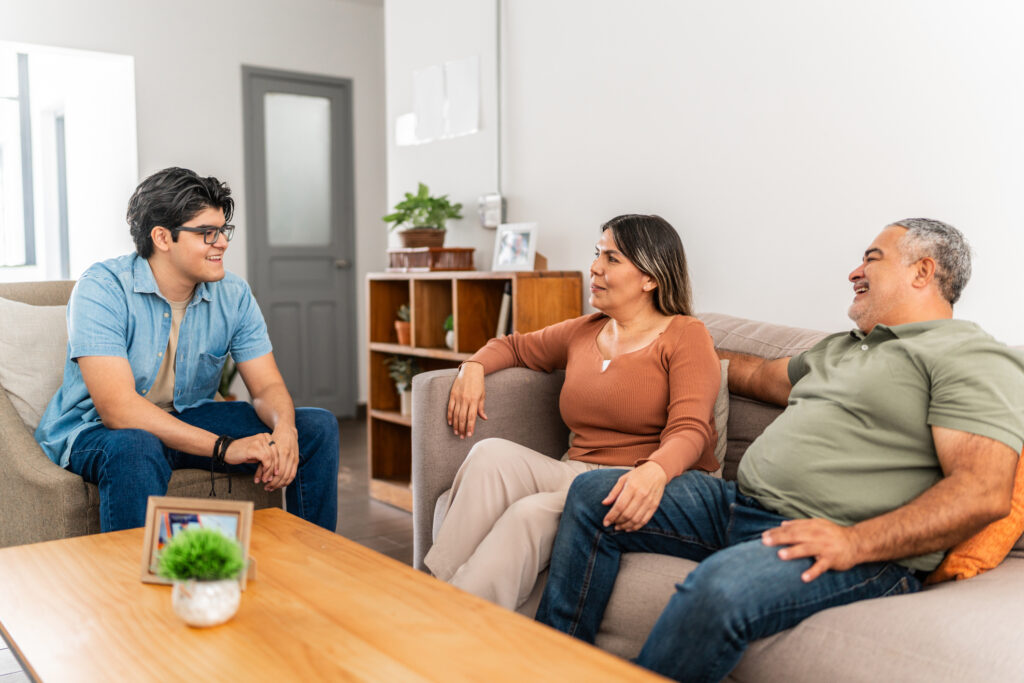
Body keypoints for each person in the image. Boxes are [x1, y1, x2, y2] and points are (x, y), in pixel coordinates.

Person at [535, 218, 1024, 681]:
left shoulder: (967, 356)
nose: (854, 271)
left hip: (851, 544)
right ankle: (546, 663)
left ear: (923, 271)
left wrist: (854, 543)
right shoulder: (845, 348)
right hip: (739, 507)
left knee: (719, 588)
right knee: (595, 495)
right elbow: (756, 374)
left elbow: (981, 491)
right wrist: (664, 344)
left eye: (872, 259)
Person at [424, 214, 722, 609]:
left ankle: (461, 619)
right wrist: (474, 366)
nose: (595, 267)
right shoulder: (586, 330)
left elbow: (691, 429)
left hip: (643, 482)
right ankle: (431, 592)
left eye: (612, 258)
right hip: (574, 471)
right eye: (597, 254)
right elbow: (513, 346)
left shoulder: (686, 334)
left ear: (650, 277)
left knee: (528, 515)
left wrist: (653, 470)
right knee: (489, 454)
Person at [35, 167, 339, 532]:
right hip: (102, 431)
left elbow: (267, 387)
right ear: (163, 238)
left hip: (186, 417)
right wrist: (225, 448)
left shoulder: (234, 294)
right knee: (136, 446)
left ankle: (317, 563)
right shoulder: (102, 288)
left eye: (223, 230)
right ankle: (131, 587)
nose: (222, 243)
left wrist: (286, 430)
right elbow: (117, 410)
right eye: (207, 233)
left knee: (316, 427)